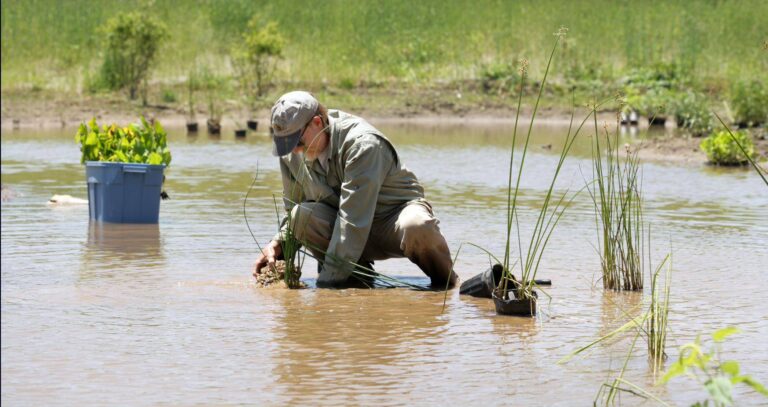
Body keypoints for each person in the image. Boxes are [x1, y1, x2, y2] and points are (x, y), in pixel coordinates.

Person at [252, 91, 457, 289]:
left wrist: (324, 289)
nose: (294, 150)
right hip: (344, 229)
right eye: (285, 144)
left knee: (417, 225)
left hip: (390, 223)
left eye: (298, 141)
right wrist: (279, 244)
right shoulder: (292, 153)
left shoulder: (363, 145)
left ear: (317, 123)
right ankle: (356, 282)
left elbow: (351, 224)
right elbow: (294, 208)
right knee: (301, 215)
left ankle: (448, 285)